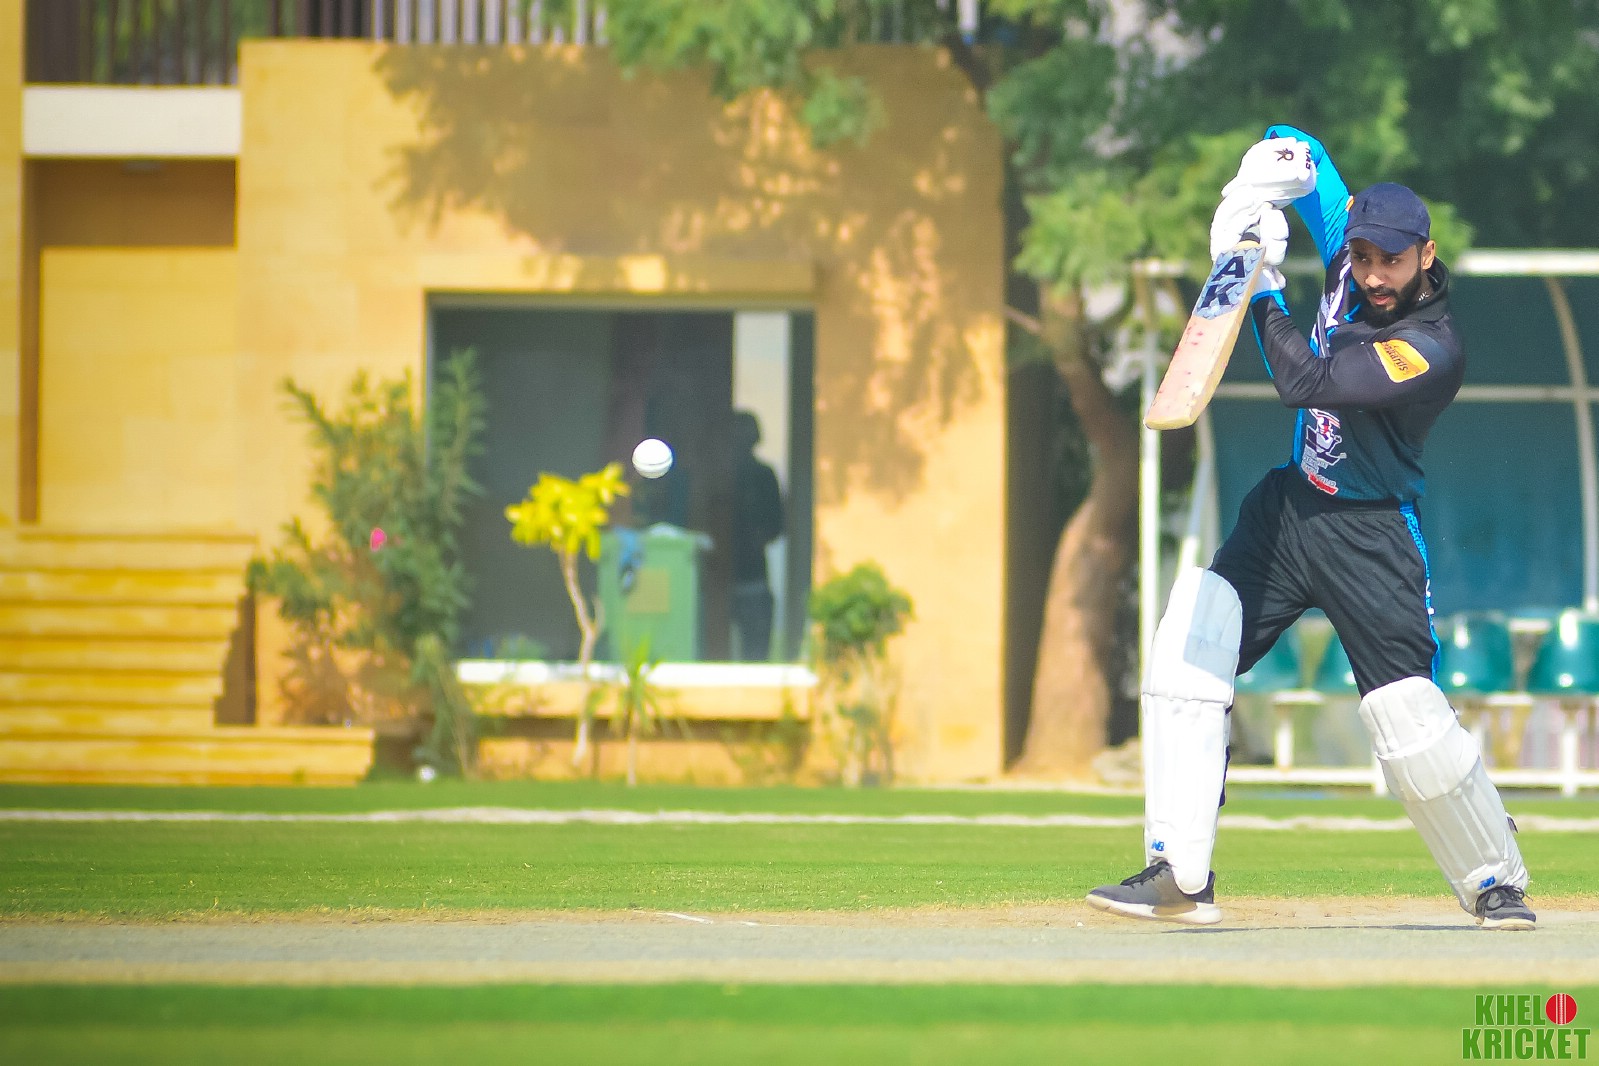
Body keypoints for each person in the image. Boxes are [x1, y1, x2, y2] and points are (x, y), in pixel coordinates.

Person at [1087, 126, 1535, 930]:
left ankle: (1493, 879)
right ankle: (1177, 873)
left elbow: (1307, 382)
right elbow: (1310, 161)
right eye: (1360, 257)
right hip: (1289, 510)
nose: (1373, 275)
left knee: (1408, 719)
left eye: (1391, 260)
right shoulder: (1347, 257)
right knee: (1188, 651)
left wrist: (1257, 285)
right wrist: (1261, 177)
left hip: (1370, 535)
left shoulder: (1429, 347)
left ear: (1425, 255)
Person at [729, 410, 784, 661]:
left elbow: (777, 523)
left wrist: (757, 537)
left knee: (756, 654)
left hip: (753, 577)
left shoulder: (763, 475)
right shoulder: (721, 475)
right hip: (723, 576)